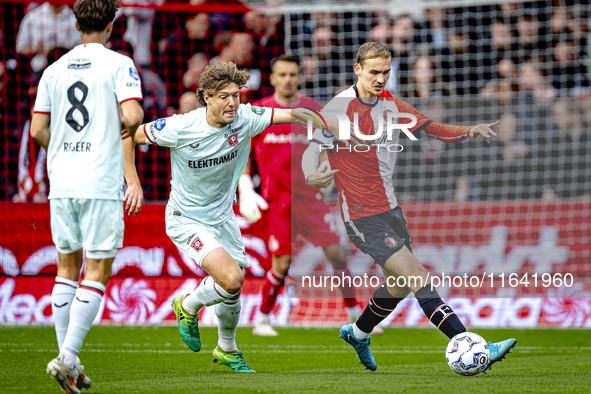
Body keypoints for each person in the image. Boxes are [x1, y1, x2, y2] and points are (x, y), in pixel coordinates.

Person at [302, 42, 516, 372]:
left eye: (386, 73)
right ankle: (473, 345)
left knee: (399, 284)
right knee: (419, 277)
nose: (380, 79)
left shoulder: (392, 105)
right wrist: (311, 174)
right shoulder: (336, 109)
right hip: (361, 216)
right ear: (357, 70)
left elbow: (432, 128)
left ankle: (358, 333)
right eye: (374, 72)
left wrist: (469, 130)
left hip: (391, 210)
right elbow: (312, 148)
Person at [122, 61, 325, 373]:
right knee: (231, 278)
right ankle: (187, 305)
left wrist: (323, 120)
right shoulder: (180, 127)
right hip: (185, 217)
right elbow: (129, 134)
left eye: (236, 95)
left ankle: (227, 349)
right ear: (206, 97)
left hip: (223, 217)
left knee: (233, 288)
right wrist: (133, 183)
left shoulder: (246, 117)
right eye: (223, 97)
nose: (232, 103)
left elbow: (295, 113)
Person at [30, 0, 144, 393]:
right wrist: (109, 139)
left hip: (60, 179)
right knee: (96, 270)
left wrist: (64, 149)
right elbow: (132, 117)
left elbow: (37, 130)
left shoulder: (52, 69)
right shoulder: (118, 64)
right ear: (111, 24)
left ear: (76, 24)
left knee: (67, 266)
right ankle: (66, 357)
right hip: (98, 179)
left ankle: (70, 362)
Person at [239, 55, 377, 337]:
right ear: (273, 78)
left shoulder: (313, 109)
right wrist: (245, 185)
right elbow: (244, 152)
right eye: (282, 74)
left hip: (309, 200)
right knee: (282, 263)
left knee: (337, 255)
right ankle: (262, 319)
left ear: (299, 77)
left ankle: (356, 318)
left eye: (292, 74)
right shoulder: (258, 111)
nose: (287, 79)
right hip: (276, 201)